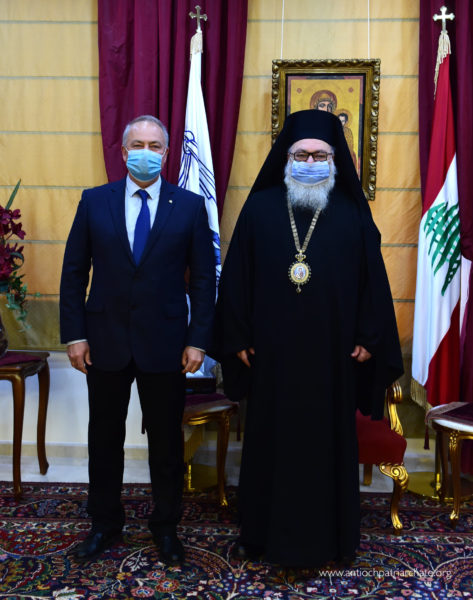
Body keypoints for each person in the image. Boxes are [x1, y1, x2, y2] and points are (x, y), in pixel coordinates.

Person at [214, 109, 403, 568]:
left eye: (320, 155)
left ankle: (330, 539)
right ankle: (259, 534)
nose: (310, 162)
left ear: (335, 160)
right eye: (301, 155)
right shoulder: (260, 209)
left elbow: (373, 283)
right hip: (272, 358)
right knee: (269, 444)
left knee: (325, 448)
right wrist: (237, 335)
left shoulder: (353, 214)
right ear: (286, 157)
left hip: (332, 359)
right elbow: (237, 278)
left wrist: (369, 335)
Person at [60, 115, 215, 564]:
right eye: (137, 145)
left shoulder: (189, 206)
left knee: (166, 444)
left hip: (166, 343)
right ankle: (104, 524)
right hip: (104, 341)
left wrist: (198, 341)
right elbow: (74, 273)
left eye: (155, 146)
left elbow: (203, 279)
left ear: (166, 154)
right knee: (103, 439)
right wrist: (75, 335)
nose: (146, 152)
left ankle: (166, 528)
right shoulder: (94, 201)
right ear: (124, 151)